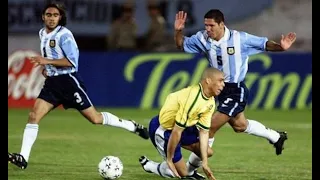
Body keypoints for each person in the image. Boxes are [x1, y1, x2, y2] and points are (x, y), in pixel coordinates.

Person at [8, 3, 149, 170]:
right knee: (33, 116)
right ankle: (23, 158)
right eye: (49, 15)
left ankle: (132, 126)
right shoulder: (42, 33)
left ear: (60, 18)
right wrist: (48, 68)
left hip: (69, 82)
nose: (52, 18)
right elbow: (52, 57)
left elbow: (72, 62)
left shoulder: (65, 35)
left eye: (55, 15)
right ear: (43, 17)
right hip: (52, 84)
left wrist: (48, 61)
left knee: (95, 119)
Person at [173, 9, 296, 175]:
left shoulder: (240, 38)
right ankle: (276, 137)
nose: (208, 29)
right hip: (218, 90)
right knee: (240, 126)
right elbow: (181, 44)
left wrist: (281, 47)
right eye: (206, 25)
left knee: (208, 128)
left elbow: (264, 44)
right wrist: (178, 30)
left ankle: (188, 172)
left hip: (236, 90)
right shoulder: (202, 38)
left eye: (211, 25)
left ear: (222, 24)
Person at [139, 67, 225, 180]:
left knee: (208, 152)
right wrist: (169, 159)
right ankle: (153, 167)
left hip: (182, 128)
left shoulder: (210, 101)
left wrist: (205, 163)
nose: (223, 84)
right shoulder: (193, 99)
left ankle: (182, 168)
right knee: (182, 173)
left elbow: (204, 132)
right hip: (163, 129)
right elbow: (176, 131)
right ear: (208, 80)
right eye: (220, 80)